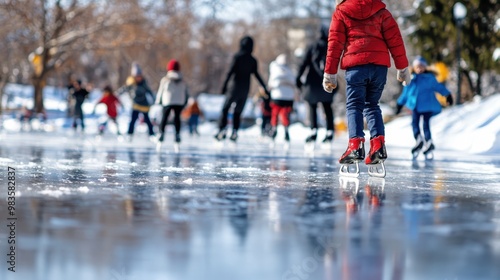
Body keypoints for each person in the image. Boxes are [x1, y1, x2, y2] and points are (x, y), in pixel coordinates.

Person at [322, 0, 410, 174]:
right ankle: (378, 146)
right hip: (379, 68)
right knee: (372, 105)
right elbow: (395, 39)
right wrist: (402, 67)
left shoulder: (341, 11)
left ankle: (355, 145)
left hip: (356, 68)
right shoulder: (381, 10)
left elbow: (335, 44)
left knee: (354, 105)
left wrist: (330, 73)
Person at [215, 35, 269, 142]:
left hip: (234, 87)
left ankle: (222, 130)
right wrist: (264, 87)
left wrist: (224, 86)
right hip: (245, 88)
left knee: (226, 109)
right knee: (237, 111)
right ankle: (235, 131)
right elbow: (257, 75)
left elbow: (230, 72)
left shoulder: (237, 57)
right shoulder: (252, 60)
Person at [395, 56, 452, 158]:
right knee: (414, 123)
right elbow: (405, 93)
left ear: (425, 67)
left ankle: (428, 141)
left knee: (425, 124)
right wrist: (399, 104)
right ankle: (419, 139)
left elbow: (439, 87)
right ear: (414, 67)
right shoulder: (410, 78)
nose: (419, 68)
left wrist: (447, 94)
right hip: (415, 106)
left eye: (421, 66)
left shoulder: (429, 78)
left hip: (427, 105)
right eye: (417, 66)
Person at [296, 26, 337, 144]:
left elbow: (303, 63)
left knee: (312, 105)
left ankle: (313, 130)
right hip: (327, 80)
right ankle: (330, 131)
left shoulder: (311, 47)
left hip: (312, 82)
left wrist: (298, 79)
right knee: (327, 106)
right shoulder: (330, 47)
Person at [118, 62, 156, 141]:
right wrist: (118, 93)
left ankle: (151, 134)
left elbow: (149, 91)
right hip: (135, 104)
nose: (139, 78)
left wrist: (153, 98)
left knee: (147, 120)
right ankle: (130, 134)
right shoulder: (131, 83)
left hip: (144, 104)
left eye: (140, 76)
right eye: (137, 76)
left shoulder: (144, 83)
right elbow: (125, 88)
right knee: (133, 120)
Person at [155, 59, 189, 144]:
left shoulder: (166, 79)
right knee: (177, 118)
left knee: (165, 117)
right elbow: (186, 92)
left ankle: (161, 133)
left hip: (168, 101)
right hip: (179, 102)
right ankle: (177, 134)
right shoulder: (183, 80)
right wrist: (185, 101)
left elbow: (161, 91)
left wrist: (158, 101)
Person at [268, 54, 296, 143]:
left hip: (277, 96)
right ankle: (286, 130)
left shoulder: (274, 69)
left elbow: (271, 83)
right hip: (288, 98)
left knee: (275, 113)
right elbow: (294, 82)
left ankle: (274, 129)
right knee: (285, 114)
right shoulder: (290, 70)